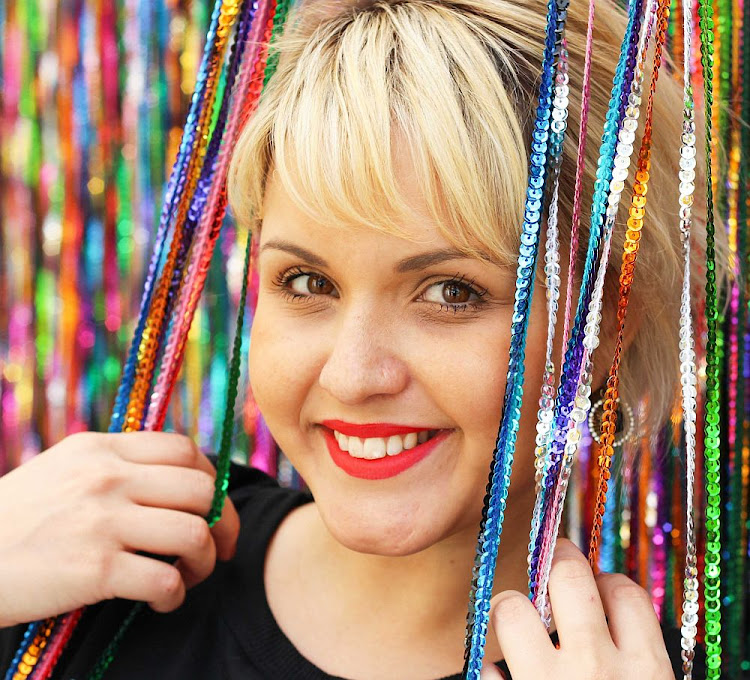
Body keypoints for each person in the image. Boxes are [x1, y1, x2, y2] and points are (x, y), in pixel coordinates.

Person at [0, 0, 713, 678]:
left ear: (603, 327)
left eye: (451, 292)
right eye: (308, 282)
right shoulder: (86, 572)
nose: (352, 374)